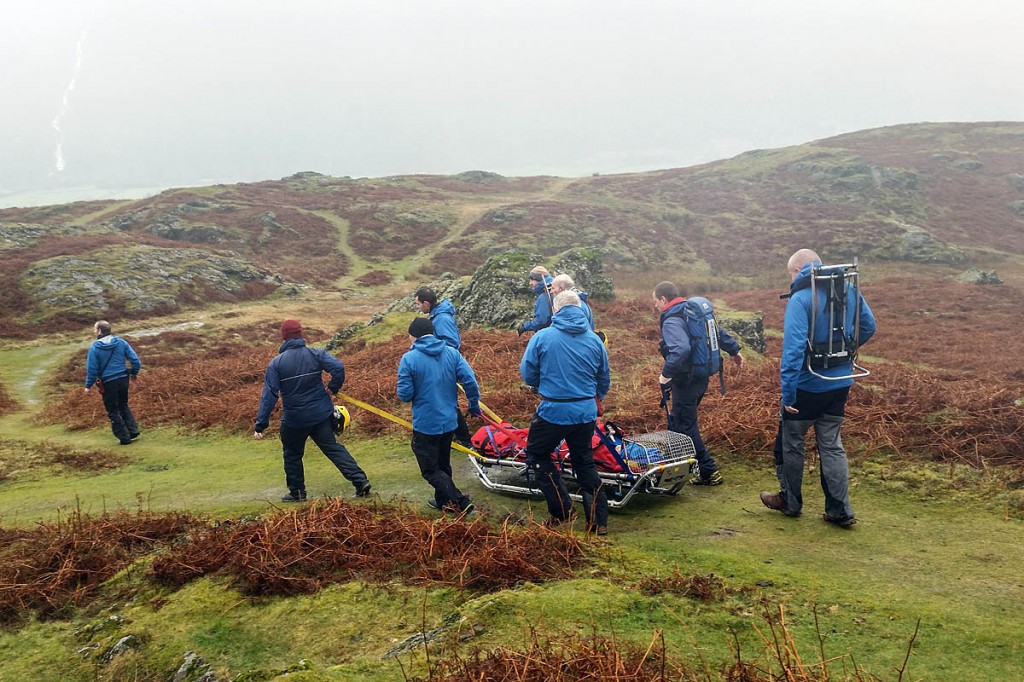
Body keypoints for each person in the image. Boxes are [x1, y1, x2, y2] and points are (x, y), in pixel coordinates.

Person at [760, 249, 876, 527]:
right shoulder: (848, 290)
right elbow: (869, 326)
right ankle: (839, 510)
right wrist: (843, 356)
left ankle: (790, 501)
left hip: (806, 386)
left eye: (790, 274)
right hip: (840, 383)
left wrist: (788, 395)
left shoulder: (800, 299)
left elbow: (793, 352)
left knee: (791, 443)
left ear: (797, 270)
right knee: (832, 445)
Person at [520, 290, 611, 534]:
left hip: (553, 410)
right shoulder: (594, 340)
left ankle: (562, 510)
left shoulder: (542, 337)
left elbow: (528, 372)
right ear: (580, 309)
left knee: (537, 455)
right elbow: (604, 378)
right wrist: (593, 399)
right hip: (585, 412)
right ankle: (597, 522)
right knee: (584, 462)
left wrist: (541, 385)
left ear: (556, 309)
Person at [254, 319, 372, 502]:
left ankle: (297, 493)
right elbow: (338, 367)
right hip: (320, 414)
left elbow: (269, 395)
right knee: (332, 448)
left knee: (292, 455)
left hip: (294, 419)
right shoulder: (315, 354)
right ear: (300, 334)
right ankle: (360, 481)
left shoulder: (276, 364)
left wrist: (261, 424)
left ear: (284, 337)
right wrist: (333, 387)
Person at [654, 281, 744, 486]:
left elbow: (681, 349)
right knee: (678, 421)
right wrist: (734, 350)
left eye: (655, 301)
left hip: (686, 380)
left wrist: (666, 374)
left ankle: (709, 471)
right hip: (701, 377)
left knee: (686, 425)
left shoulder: (672, 319)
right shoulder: (691, 313)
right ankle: (675, 466)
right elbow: (716, 332)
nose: (654, 306)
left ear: (663, 299)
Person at [397, 317, 482, 514]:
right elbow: (470, 380)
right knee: (443, 464)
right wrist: (473, 404)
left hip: (426, 423)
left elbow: (405, 395)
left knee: (430, 469)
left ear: (413, 336)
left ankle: (460, 501)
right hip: (449, 421)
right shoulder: (452, 353)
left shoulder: (409, 359)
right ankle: (443, 502)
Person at [414, 286, 472, 447]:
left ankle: (465, 439)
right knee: (445, 401)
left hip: (444, 366)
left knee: (448, 403)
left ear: (426, 303)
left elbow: (452, 343)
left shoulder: (442, 319)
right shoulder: (436, 316)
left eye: (418, 304)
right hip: (441, 365)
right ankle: (457, 436)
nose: (418, 308)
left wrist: (435, 355)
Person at [84, 320, 142, 445]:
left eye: (95, 329)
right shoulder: (121, 342)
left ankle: (124, 437)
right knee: (123, 404)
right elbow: (135, 360)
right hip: (123, 378)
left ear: (99, 331)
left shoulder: (95, 348)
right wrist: (134, 372)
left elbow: (92, 369)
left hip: (108, 382)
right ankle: (133, 431)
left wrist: (88, 385)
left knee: (112, 410)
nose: (94, 331)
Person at [517, 266, 554, 335]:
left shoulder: (545, 296)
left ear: (539, 279)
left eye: (532, 280)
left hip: (548, 334)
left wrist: (525, 326)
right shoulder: (553, 291)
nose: (530, 283)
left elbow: (541, 320)